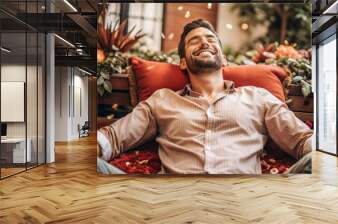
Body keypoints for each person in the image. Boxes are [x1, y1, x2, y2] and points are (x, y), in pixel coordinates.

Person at [97, 19, 313, 174]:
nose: (204, 43)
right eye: (194, 41)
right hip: (172, 203)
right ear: (182, 62)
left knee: (319, 159)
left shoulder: (258, 97)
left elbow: (301, 139)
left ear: (225, 59)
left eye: (210, 39)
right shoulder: (162, 100)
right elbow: (114, 138)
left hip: (244, 201)